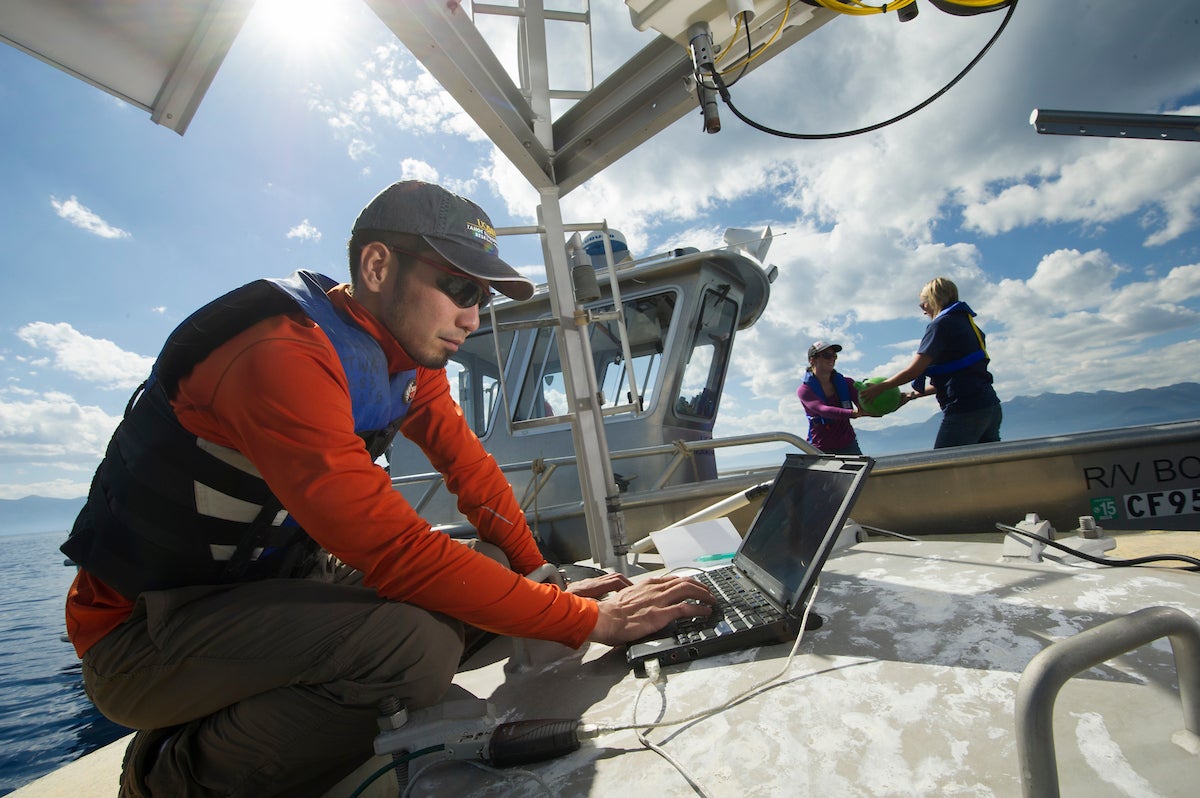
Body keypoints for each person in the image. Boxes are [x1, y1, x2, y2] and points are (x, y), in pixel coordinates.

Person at [60, 180, 715, 797]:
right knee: (412, 649)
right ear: (377, 269)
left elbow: (471, 472)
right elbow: (398, 553)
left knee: (485, 571)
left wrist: (541, 572)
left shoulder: (406, 362)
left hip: (263, 593)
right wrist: (590, 618)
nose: (471, 315)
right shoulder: (277, 353)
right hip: (141, 637)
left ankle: (273, 697)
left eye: (482, 298)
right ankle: (167, 776)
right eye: (459, 286)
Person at [860, 277, 1001, 449]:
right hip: (990, 407)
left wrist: (881, 387)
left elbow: (915, 370)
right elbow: (953, 377)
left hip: (965, 409)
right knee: (988, 469)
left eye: (923, 303)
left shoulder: (940, 325)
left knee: (944, 467)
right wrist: (912, 396)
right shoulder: (969, 325)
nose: (923, 310)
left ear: (935, 300)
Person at [795, 341, 872, 455]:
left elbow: (867, 403)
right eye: (827, 355)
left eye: (834, 356)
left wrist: (899, 398)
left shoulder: (847, 383)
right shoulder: (805, 391)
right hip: (820, 449)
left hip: (849, 445)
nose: (832, 359)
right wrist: (853, 413)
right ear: (812, 360)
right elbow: (823, 410)